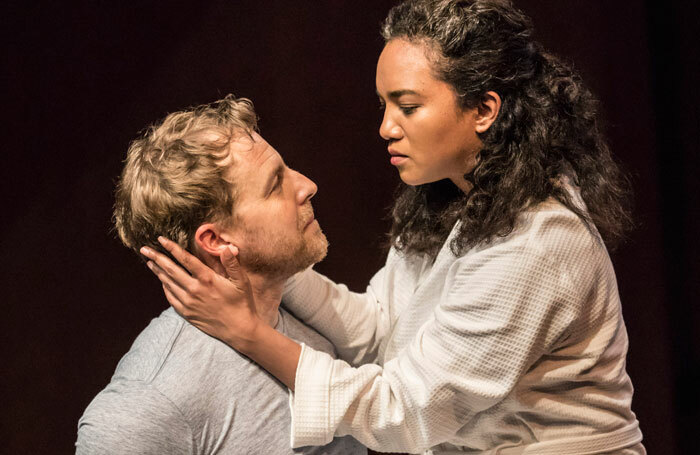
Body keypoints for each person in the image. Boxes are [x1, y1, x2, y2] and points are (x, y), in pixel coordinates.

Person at [141, 0, 646, 453]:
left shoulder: (537, 241)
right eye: (383, 105)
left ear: (484, 110)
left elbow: (405, 410)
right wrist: (266, 260)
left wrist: (250, 333)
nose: (386, 127)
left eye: (407, 106)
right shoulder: (451, 196)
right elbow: (387, 329)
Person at [76, 96, 366, 455]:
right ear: (215, 240)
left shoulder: (313, 319)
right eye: (275, 185)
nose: (307, 186)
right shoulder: (151, 401)